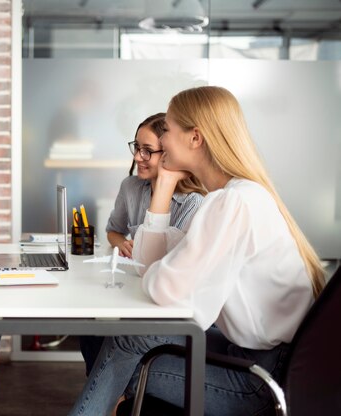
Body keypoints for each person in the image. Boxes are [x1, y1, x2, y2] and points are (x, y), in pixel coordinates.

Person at [69, 86, 326, 416]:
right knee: (122, 340)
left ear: (195, 138)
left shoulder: (233, 202)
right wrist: (163, 186)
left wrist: (158, 272)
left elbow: (170, 291)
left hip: (258, 379)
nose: (162, 144)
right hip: (251, 354)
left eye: (170, 130)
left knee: (122, 348)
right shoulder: (235, 196)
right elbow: (153, 264)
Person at [79, 112, 206, 376]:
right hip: (133, 288)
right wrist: (122, 242)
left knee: (116, 336)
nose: (138, 157)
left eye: (147, 151)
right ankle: (110, 390)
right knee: (90, 330)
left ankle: (121, 387)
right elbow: (112, 231)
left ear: (169, 152)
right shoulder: (130, 187)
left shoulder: (194, 204)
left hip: (161, 301)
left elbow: (174, 269)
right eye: (136, 147)